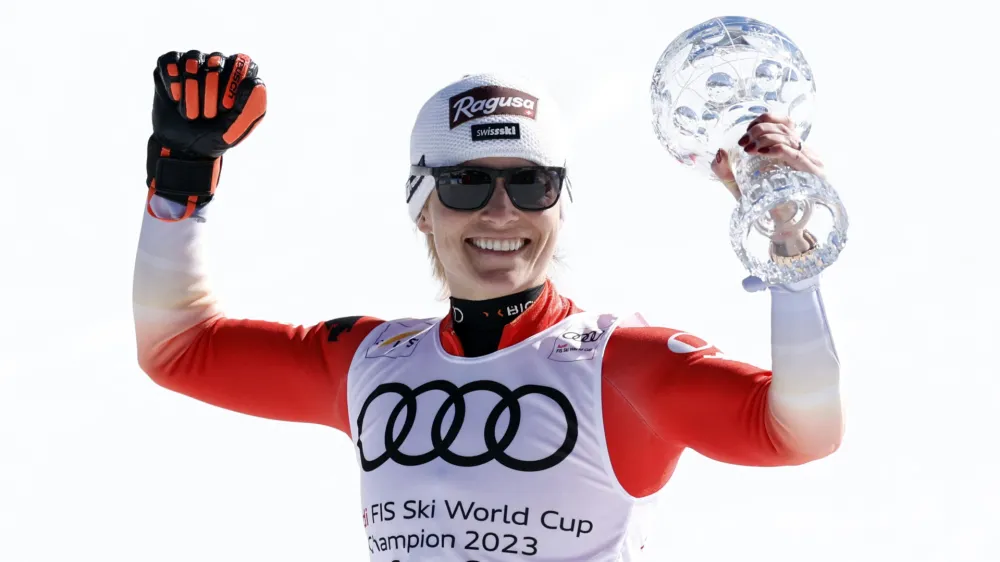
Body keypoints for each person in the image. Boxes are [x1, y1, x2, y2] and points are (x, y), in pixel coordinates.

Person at [134, 50, 844, 562]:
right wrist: (180, 181)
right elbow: (179, 350)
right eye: (468, 183)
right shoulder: (369, 362)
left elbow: (801, 433)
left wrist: (790, 249)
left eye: (532, 184)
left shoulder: (622, 367)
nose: (502, 212)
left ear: (560, 204)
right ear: (421, 205)